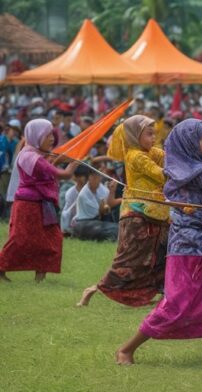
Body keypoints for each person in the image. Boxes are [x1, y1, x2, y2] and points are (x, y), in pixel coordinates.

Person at [115, 119, 202, 365]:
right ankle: (126, 349)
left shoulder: (179, 168)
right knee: (177, 302)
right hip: (189, 249)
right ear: (190, 143)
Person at [78, 115, 170, 307]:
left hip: (158, 214)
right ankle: (93, 289)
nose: (153, 138)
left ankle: (162, 295)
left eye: (155, 134)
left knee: (158, 258)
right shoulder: (135, 155)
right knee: (128, 260)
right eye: (149, 134)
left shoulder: (150, 151)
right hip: (137, 216)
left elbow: (167, 158)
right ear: (135, 136)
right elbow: (161, 174)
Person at [0, 120, 78, 282]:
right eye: (47, 135)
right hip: (28, 206)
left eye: (51, 134)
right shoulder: (32, 157)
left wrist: (60, 159)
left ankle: (40, 278)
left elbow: (48, 167)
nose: (52, 139)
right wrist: (75, 162)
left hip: (42, 204)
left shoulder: (33, 154)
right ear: (37, 136)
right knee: (20, 240)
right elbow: (63, 175)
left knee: (51, 239)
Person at [71, 168, 121, 241]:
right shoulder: (84, 194)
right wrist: (106, 206)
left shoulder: (101, 188)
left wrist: (111, 192)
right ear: (88, 179)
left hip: (96, 221)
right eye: (94, 178)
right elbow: (101, 211)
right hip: (83, 223)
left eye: (98, 177)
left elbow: (108, 205)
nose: (96, 180)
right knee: (113, 230)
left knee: (117, 228)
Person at [61, 165, 90, 235]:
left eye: (83, 176)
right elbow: (68, 213)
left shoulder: (91, 190)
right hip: (73, 222)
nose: (81, 179)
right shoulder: (70, 193)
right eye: (79, 176)